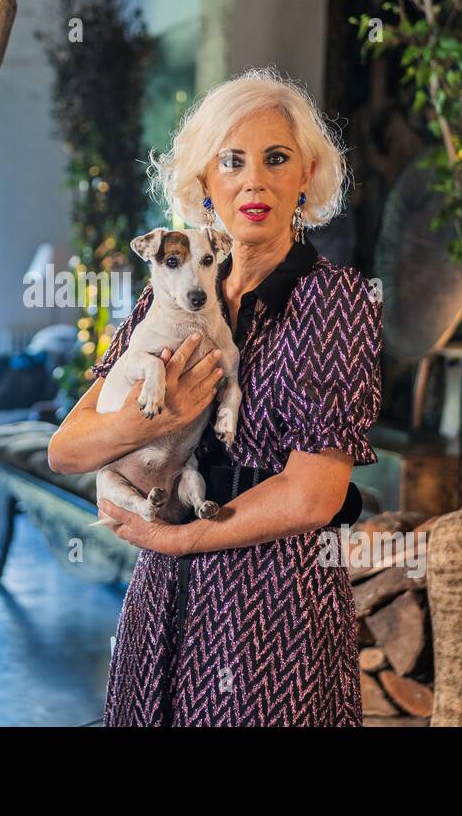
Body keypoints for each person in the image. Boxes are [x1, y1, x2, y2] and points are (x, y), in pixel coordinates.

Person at [48, 67, 382, 726]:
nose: (253, 181)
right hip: (160, 600)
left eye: (276, 159)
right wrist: (151, 423)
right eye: (232, 161)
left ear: (307, 175)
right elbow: (67, 450)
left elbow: (314, 496)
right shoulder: (170, 297)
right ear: (204, 182)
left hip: (275, 605)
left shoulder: (334, 301)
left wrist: (179, 541)